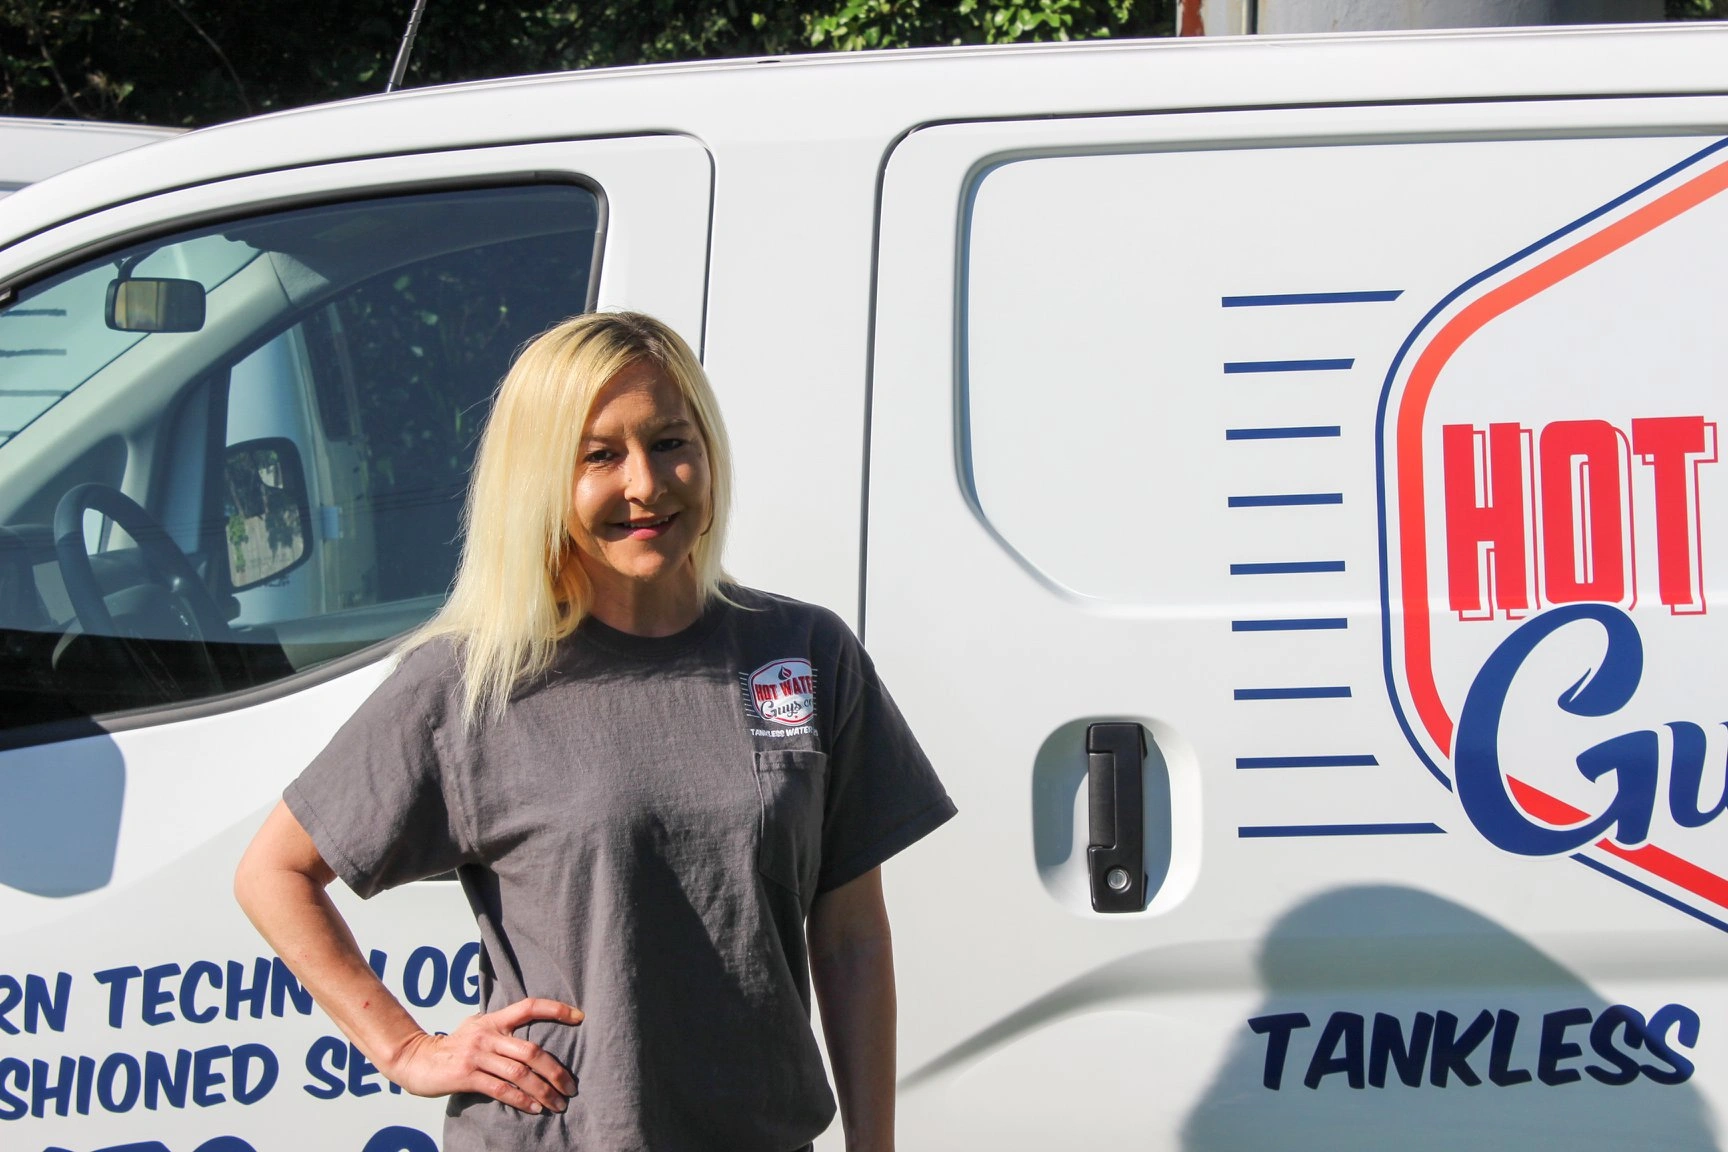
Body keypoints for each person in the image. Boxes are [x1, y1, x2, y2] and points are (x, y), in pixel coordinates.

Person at [233, 311, 955, 1151]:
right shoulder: (473, 680)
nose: (646, 484)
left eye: (670, 441)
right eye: (599, 455)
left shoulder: (801, 652)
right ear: (539, 478)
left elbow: (853, 935)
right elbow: (273, 873)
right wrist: (405, 1048)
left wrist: (875, 1144)